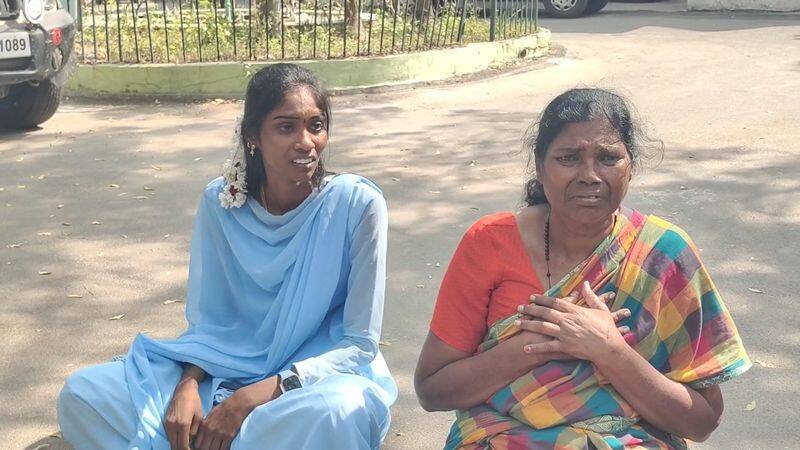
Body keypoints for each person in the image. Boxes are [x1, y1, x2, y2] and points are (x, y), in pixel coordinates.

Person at [58, 63, 397, 450]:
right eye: (286, 127)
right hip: (223, 370)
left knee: (338, 412)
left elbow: (359, 344)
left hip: (312, 381)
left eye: (316, 125)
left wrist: (250, 399)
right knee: (83, 393)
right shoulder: (221, 203)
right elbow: (210, 323)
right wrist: (188, 385)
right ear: (252, 134)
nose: (306, 142)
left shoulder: (357, 204)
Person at [414, 88, 750, 450]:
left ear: (631, 167)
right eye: (569, 158)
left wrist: (606, 349)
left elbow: (701, 422)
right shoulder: (490, 243)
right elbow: (433, 390)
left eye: (608, 158)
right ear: (540, 168)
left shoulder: (664, 254)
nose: (590, 175)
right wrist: (538, 344)